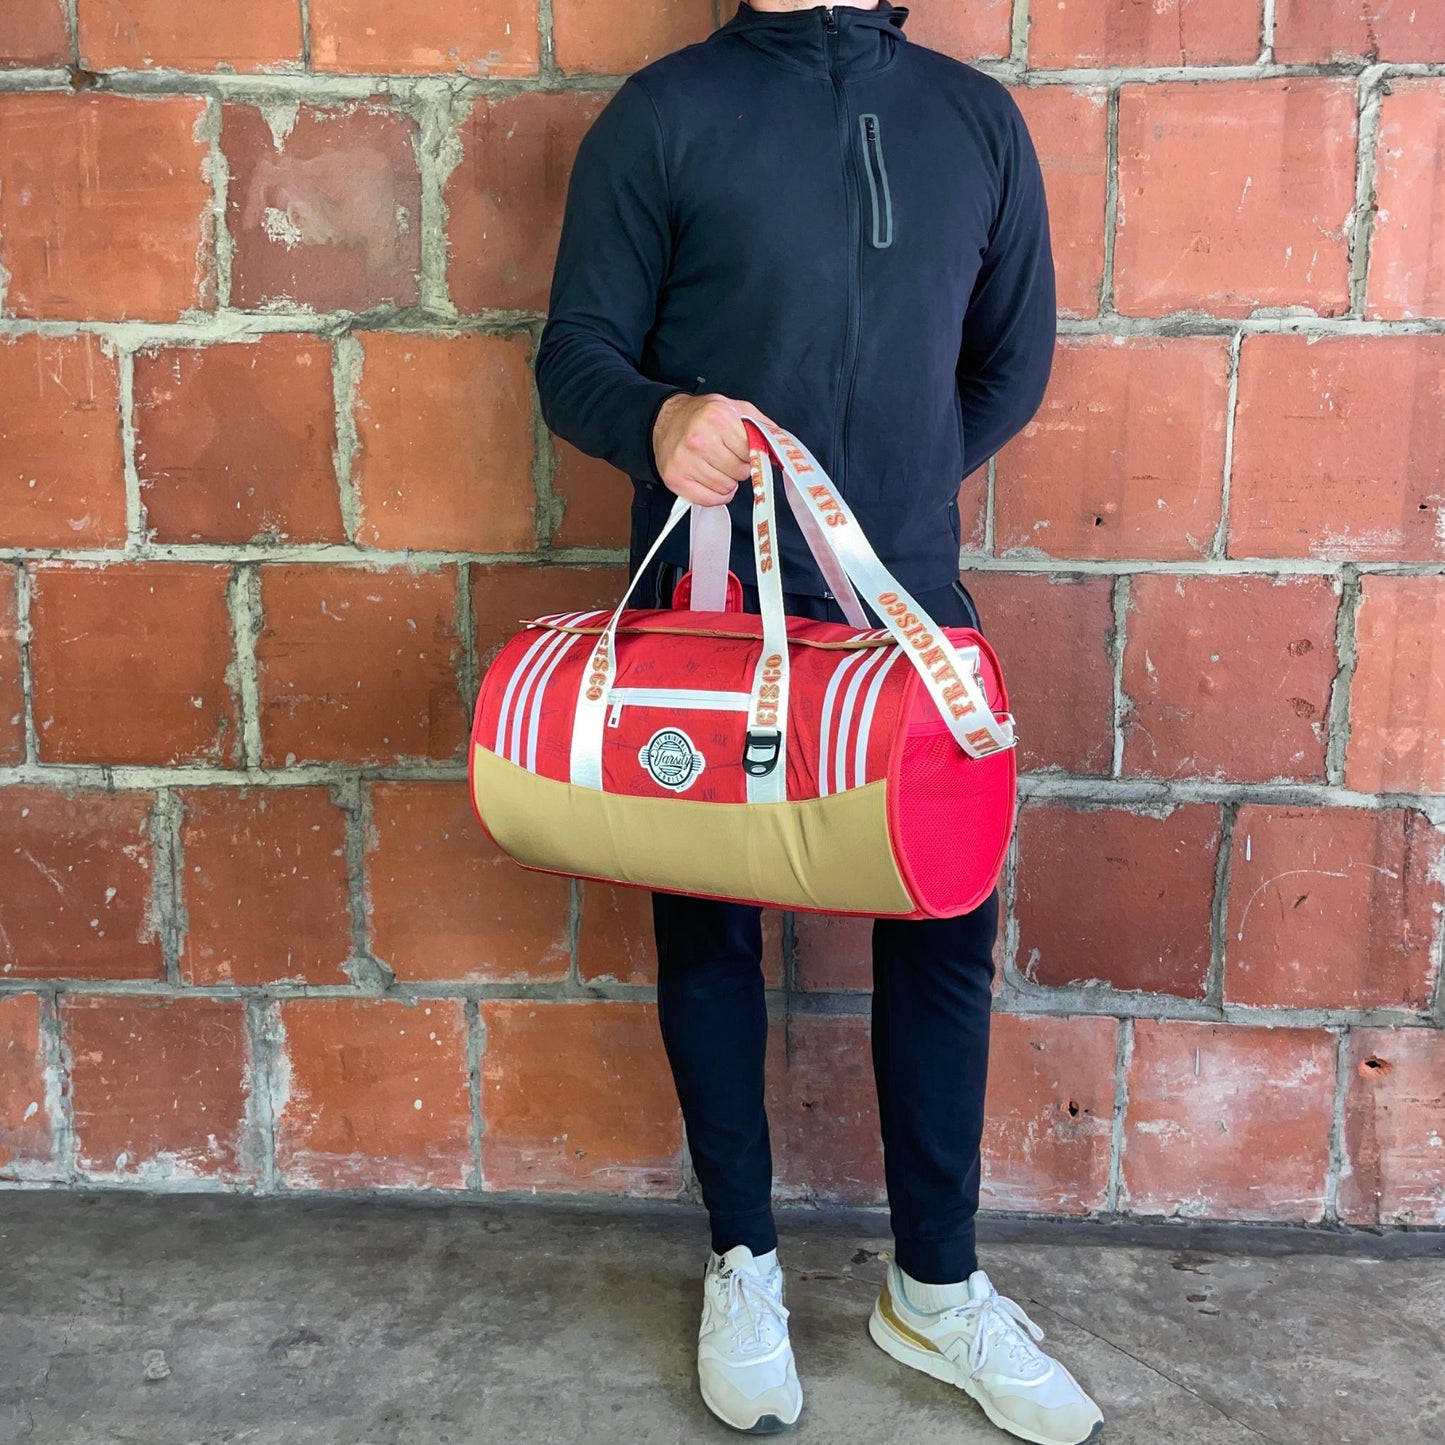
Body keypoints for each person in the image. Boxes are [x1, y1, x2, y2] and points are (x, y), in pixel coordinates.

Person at [535, 4, 1101, 1441]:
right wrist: (660, 423)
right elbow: (574, 355)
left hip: (905, 609)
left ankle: (934, 1287)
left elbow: (1007, 363)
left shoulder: (971, 120)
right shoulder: (659, 116)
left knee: (943, 925)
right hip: (707, 613)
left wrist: (875, 499)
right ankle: (743, 1256)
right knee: (710, 924)